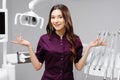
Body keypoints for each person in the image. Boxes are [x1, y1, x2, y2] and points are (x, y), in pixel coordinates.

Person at [12, 4, 106, 80]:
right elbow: (37, 66)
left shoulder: (75, 39)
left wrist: (89, 47)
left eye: (59, 17)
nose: (55, 21)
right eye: (53, 17)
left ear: (66, 18)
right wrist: (29, 46)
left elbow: (78, 66)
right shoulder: (44, 39)